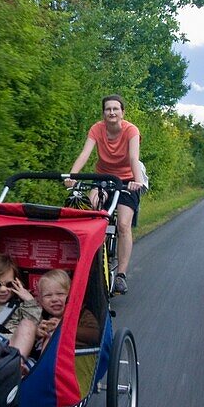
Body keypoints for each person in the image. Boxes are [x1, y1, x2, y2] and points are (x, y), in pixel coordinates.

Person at [67, 94, 143, 294]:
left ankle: (121, 276)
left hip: (127, 180)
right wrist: (72, 176)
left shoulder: (131, 130)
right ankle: (91, 261)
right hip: (103, 177)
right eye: (108, 109)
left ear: (122, 112)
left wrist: (137, 181)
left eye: (115, 109)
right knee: (92, 210)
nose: (112, 112)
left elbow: (134, 157)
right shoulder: (96, 129)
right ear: (103, 113)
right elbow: (85, 153)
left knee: (124, 224)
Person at [32, 269, 99, 355]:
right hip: (39, 360)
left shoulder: (82, 314)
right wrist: (37, 334)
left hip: (70, 360)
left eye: (60, 294)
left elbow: (95, 336)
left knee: (53, 337)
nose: (54, 299)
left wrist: (64, 327)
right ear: (41, 300)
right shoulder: (42, 316)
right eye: (48, 295)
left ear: (71, 296)